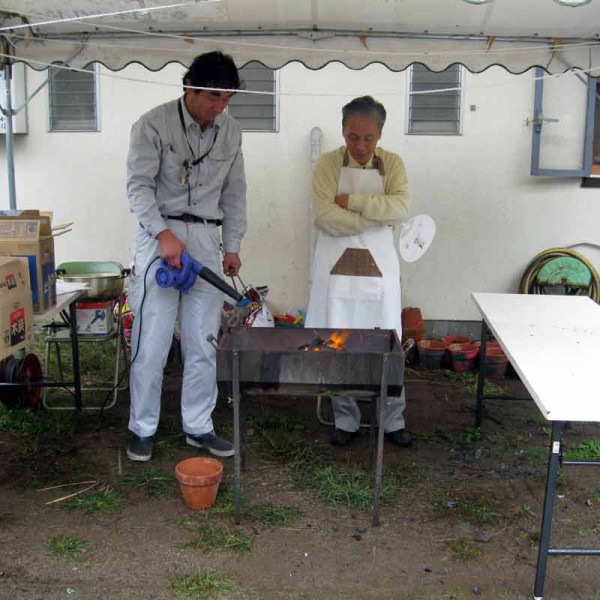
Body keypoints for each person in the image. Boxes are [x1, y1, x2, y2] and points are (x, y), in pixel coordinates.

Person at [125, 51, 247, 461]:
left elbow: (235, 192)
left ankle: (199, 425)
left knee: (203, 340)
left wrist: (232, 245)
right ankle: (143, 427)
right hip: (160, 235)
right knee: (152, 339)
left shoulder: (231, 132)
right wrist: (163, 234)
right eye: (213, 96)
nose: (220, 106)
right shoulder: (152, 125)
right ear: (189, 87)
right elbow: (138, 188)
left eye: (227, 99)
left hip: (206, 240)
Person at [305, 95, 412, 448]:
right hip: (336, 271)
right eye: (353, 137)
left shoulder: (393, 164)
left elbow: (399, 209)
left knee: (387, 340)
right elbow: (324, 216)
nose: (360, 145)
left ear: (380, 134)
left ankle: (392, 419)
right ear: (343, 132)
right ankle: (345, 419)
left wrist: (351, 201)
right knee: (338, 338)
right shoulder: (327, 165)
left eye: (368, 138)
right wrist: (372, 220)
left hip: (380, 270)